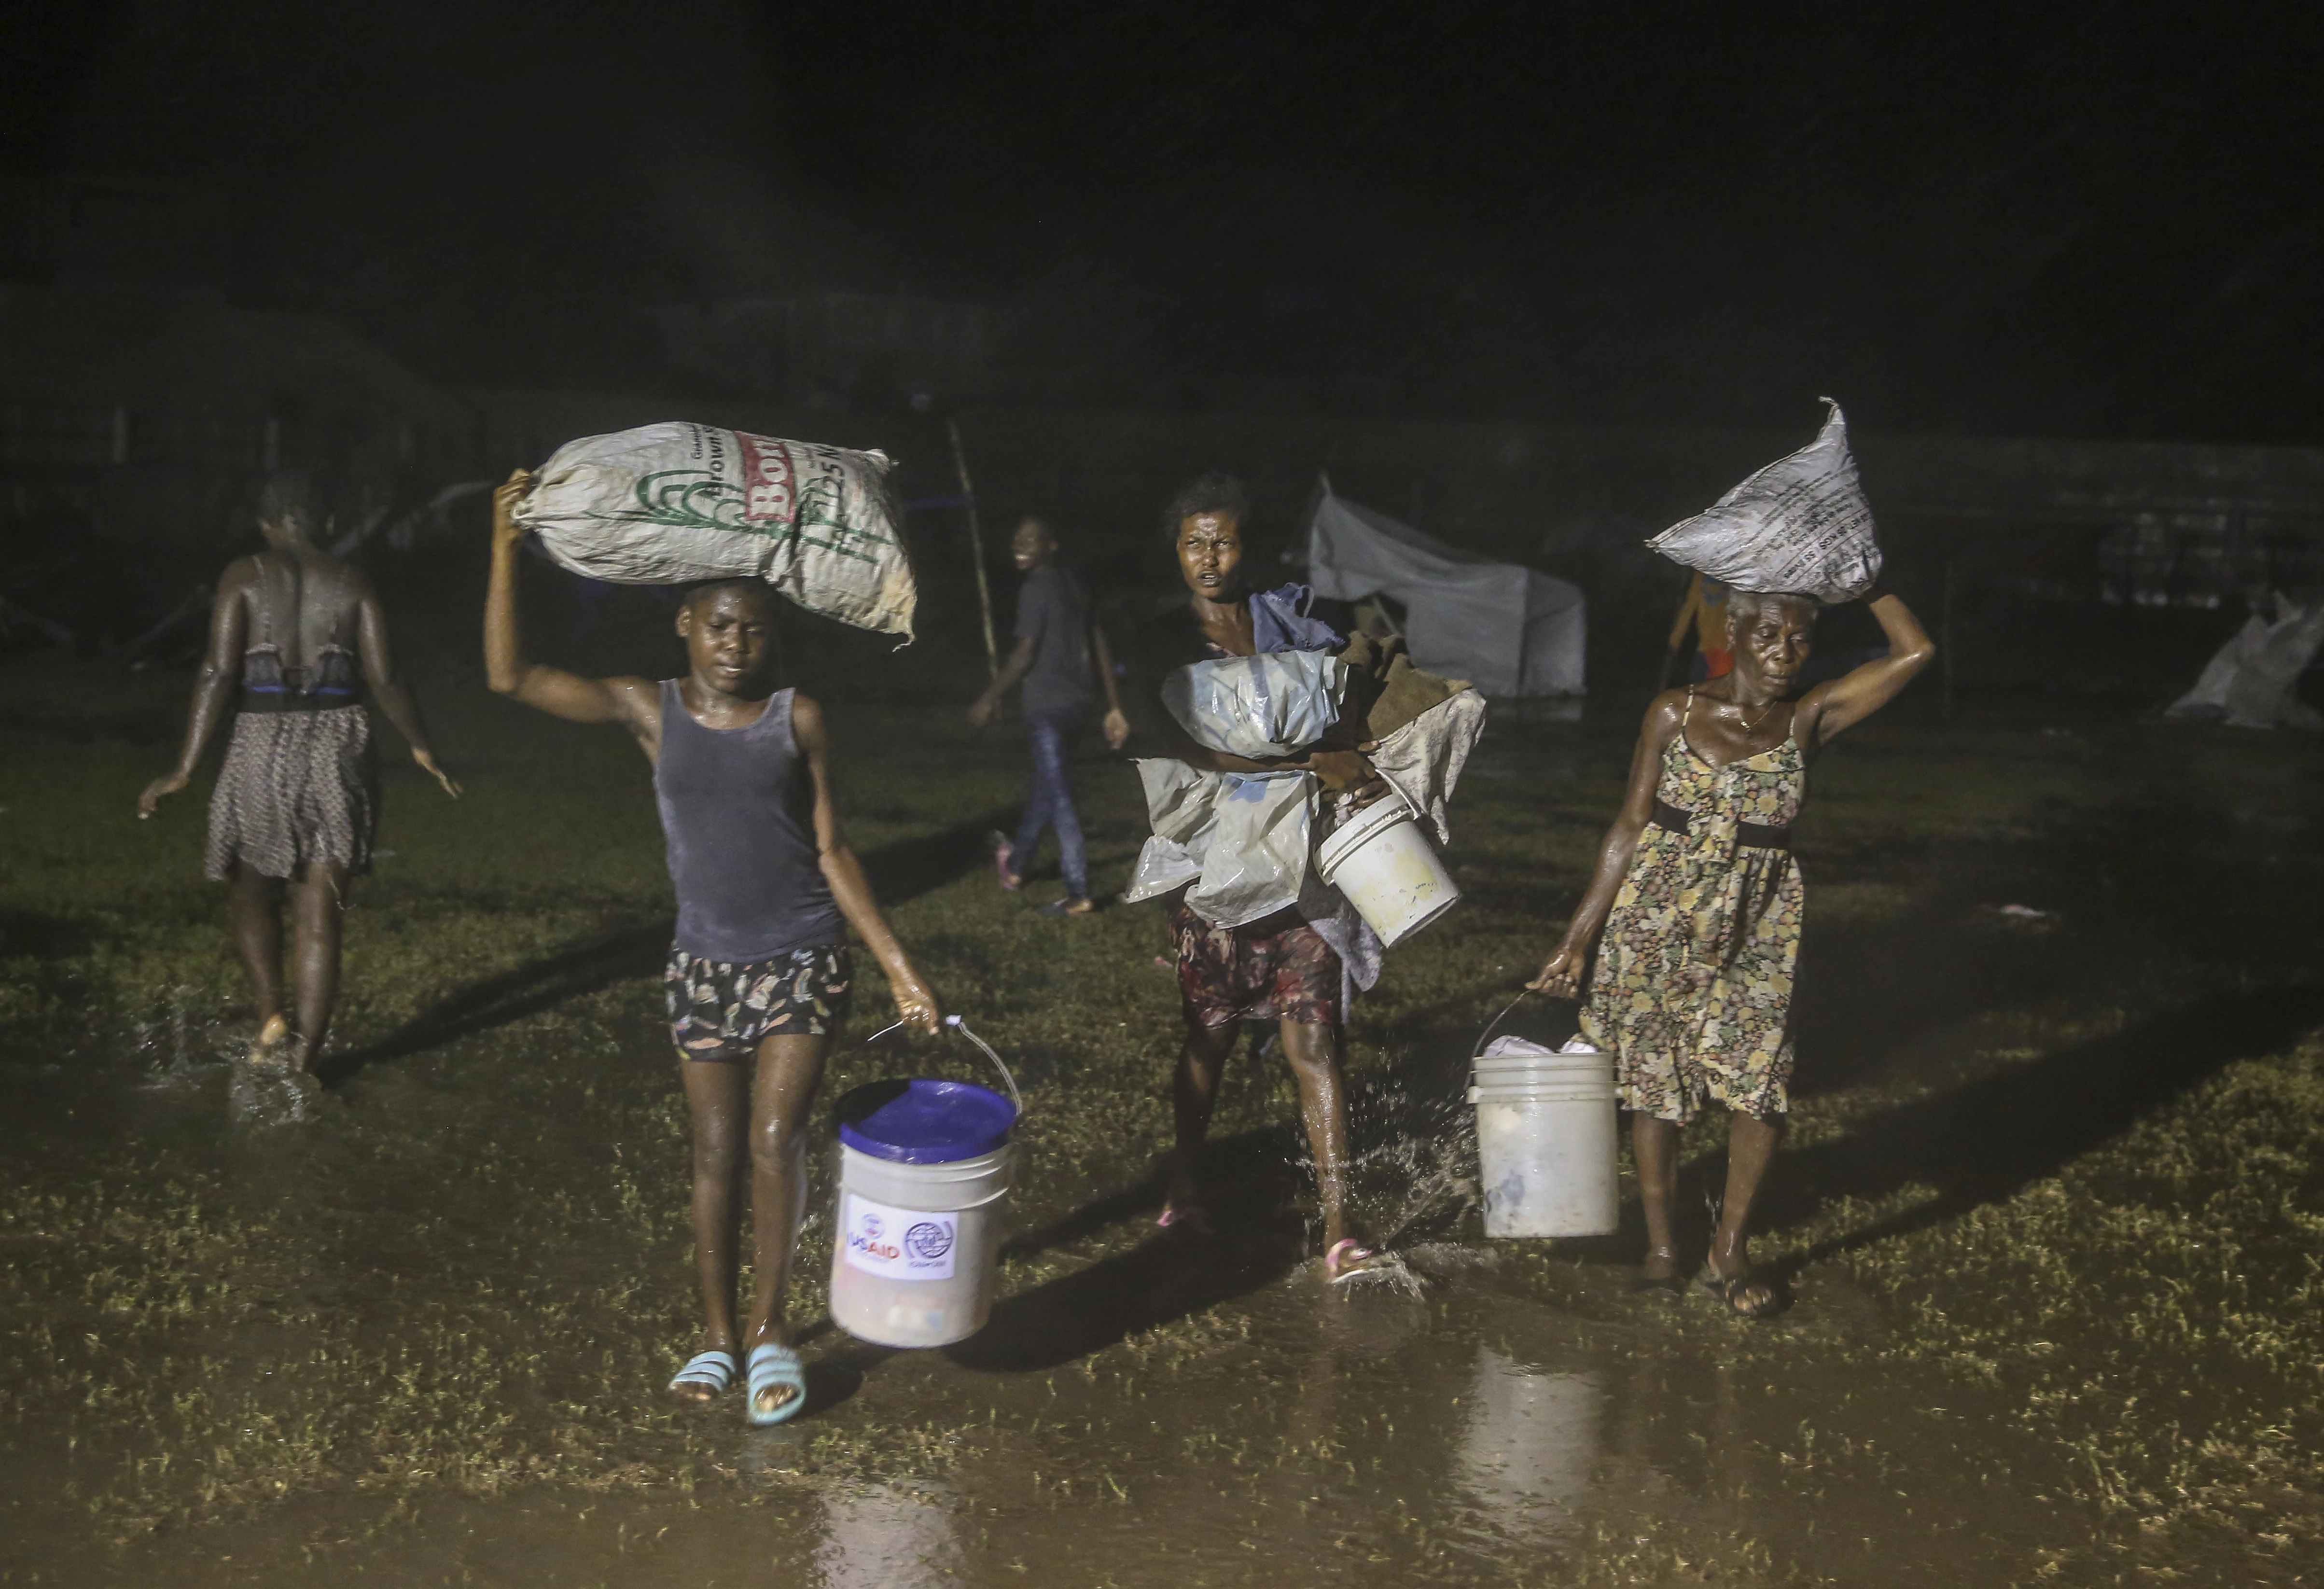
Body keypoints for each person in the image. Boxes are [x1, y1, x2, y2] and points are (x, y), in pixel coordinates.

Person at [483, 468, 941, 1424]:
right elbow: (509, 677)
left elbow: (830, 846)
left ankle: (772, 1333)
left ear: (771, 637)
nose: (736, 643)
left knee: (776, 1141)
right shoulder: (647, 710)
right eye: (719, 624)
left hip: (801, 957)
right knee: (715, 1151)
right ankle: (716, 1337)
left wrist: (899, 967)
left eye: (753, 627)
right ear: (684, 627)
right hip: (701, 966)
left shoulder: (796, 717)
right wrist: (503, 546)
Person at [1529, 582, 1934, 1316]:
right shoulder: (1673, 712)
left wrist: (1866, 578)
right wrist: (1576, 939)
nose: (1784, 654)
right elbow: (1628, 826)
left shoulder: (1806, 717)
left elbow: (1914, 652)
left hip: (1760, 921)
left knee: (1761, 1082)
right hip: (1656, 910)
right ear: (1735, 633)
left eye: (1801, 640)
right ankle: (1660, 1249)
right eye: (1768, 636)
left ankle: (1728, 1252)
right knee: (1657, 1084)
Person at [1134, 474, 1394, 1282]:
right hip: (1217, 865)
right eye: (1193, 542)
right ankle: (1185, 1182)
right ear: (1175, 550)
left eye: (1224, 540)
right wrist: (1305, 761)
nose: (1209, 558)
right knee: (1209, 1033)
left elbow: (1339, 710)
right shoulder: (1162, 639)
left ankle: (1339, 1226)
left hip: (1302, 866)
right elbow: (1180, 747)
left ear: (1247, 546)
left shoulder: (1290, 625)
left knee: (1315, 1041)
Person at [138, 473, 459, 1077]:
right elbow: (386, 677)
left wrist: (183, 768)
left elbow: (216, 672)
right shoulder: (354, 580)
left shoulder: (243, 575)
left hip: (259, 740)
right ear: (329, 523)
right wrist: (421, 745)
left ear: (266, 522)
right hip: (340, 741)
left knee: (252, 889)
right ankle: (305, 1064)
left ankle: (270, 1013)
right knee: (321, 913)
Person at [968, 516, 1130, 915]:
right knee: (1047, 787)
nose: (1019, 546)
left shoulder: (1036, 588)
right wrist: (1112, 703)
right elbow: (1101, 644)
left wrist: (989, 697)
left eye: (1029, 540)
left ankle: (1079, 892)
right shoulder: (1075, 584)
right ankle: (1018, 865)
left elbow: (1025, 653)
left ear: (1051, 545)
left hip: (1046, 708)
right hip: (1079, 705)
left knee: (1059, 797)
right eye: (1016, 539)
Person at [1661, 570, 1734, 687]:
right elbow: (1689, 607)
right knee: (1700, 692)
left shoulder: (1734, 573)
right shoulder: (1701, 574)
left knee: (1716, 693)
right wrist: (1674, 642)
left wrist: (1674, 642)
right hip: (1707, 649)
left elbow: (1689, 608)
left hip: (1725, 650)